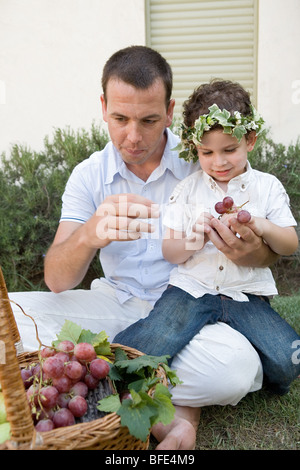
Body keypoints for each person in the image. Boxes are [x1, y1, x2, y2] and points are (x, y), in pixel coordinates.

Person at [9, 47, 279, 450]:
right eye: (120, 119)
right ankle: (156, 385)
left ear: (169, 111)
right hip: (114, 306)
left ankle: (114, 375)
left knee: (235, 370)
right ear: (103, 107)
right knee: (12, 314)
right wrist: (89, 235)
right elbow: (56, 280)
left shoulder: (204, 160)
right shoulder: (89, 176)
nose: (132, 137)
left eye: (149, 120)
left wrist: (250, 250)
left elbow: (267, 252)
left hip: (193, 314)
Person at [114, 79, 300, 397]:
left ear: (250, 140)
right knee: (153, 339)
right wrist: (194, 240)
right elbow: (171, 252)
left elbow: (289, 244)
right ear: (194, 148)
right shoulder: (187, 190)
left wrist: (262, 225)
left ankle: (259, 365)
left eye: (229, 150)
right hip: (192, 290)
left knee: (289, 359)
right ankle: (115, 376)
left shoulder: (267, 187)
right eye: (207, 152)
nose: (219, 162)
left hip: (245, 295)